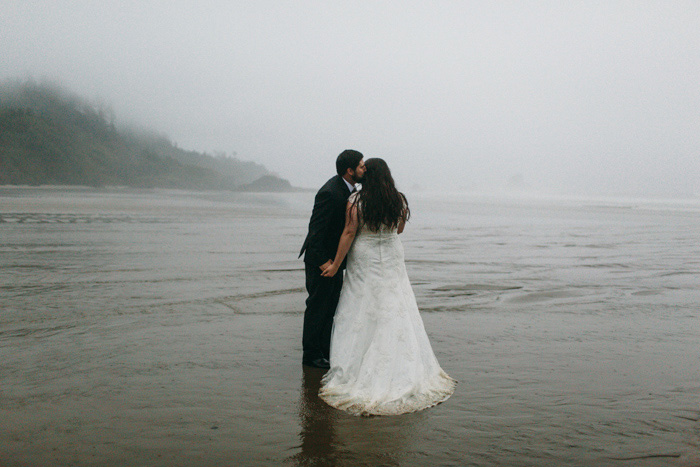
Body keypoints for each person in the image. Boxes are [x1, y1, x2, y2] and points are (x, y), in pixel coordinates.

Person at [318, 158, 456, 416]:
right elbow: (400, 229)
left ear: (367, 176)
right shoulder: (399, 199)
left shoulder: (357, 201)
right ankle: (402, 367)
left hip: (365, 255)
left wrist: (336, 264)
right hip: (391, 254)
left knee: (361, 304)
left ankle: (356, 368)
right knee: (395, 303)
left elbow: (349, 233)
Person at [299, 150, 366, 369]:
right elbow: (315, 231)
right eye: (361, 166)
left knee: (330, 307)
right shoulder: (329, 192)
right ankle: (311, 355)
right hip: (322, 261)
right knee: (317, 306)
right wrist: (324, 263)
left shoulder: (348, 189)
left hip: (334, 261)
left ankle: (325, 351)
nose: (363, 169)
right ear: (350, 171)